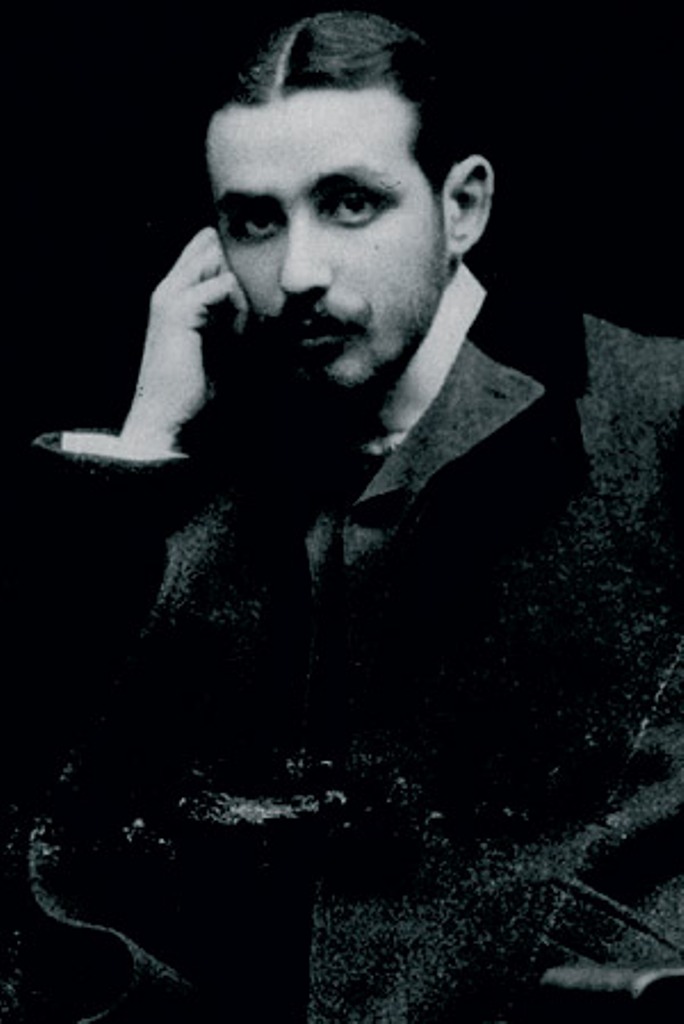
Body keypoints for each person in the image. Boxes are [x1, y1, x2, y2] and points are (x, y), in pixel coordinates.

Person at [6, 9, 683, 1023]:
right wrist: (148, 442)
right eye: (255, 222)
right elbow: (71, 825)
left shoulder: (650, 408)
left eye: (351, 204)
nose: (299, 272)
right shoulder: (212, 471)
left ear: (462, 206)